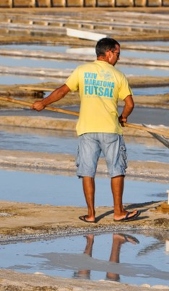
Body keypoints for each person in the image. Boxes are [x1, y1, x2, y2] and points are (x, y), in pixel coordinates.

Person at [32, 37, 140, 224]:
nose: (118, 58)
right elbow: (130, 104)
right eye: (117, 54)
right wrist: (123, 117)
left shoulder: (82, 71)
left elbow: (62, 91)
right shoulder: (118, 75)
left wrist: (43, 103)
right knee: (117, 170)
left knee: (87, 172)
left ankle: (91, 214)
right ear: (108, 53)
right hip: (110, 130)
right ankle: (118, 212)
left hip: (87, 129)